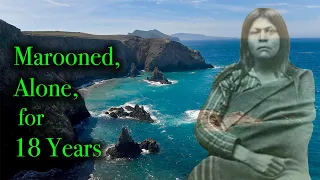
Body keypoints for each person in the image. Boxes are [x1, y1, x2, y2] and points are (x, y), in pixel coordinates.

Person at [188, 8, 316, 180]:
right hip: (233, 165)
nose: (262, 37)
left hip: (287, 170)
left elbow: (297, 133)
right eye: (255, 32)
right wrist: (247, 156)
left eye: (270, 31)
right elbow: (203, 127)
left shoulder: (301, 80)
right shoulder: (230, 79)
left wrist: (229, 124)